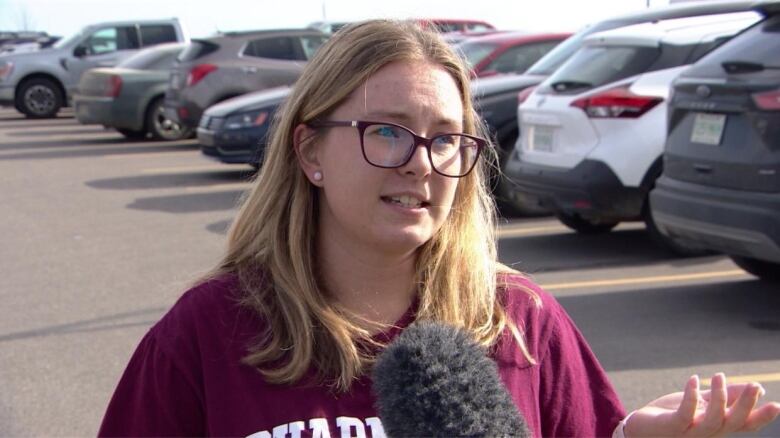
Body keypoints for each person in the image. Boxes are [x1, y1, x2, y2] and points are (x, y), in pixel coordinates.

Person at [98, 20, 780, 437]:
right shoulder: (209, 331)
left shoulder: (520, 321)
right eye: (387, 132)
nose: (422, 165)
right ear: (309, 152)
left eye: (447, 139)